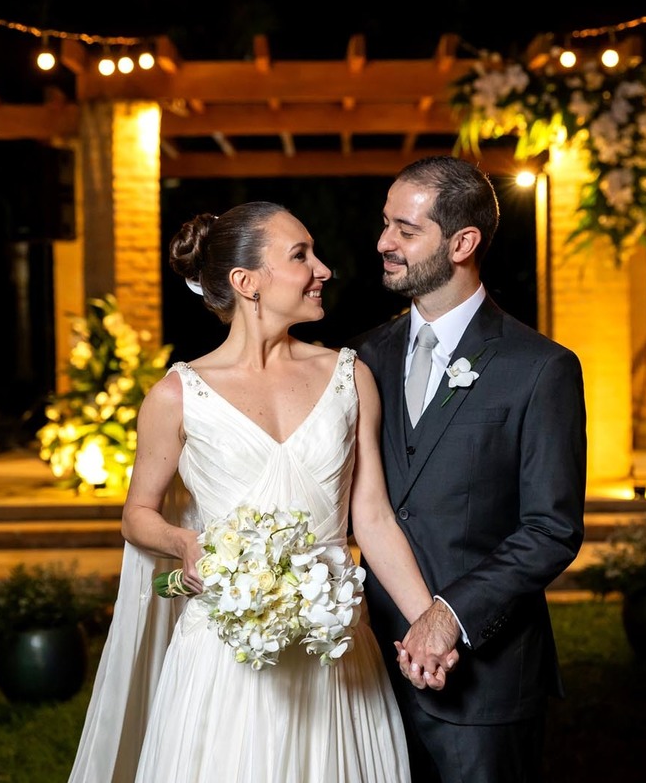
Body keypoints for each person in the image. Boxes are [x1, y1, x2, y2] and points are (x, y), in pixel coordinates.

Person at [68, 200, 453, 783]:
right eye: (301, 255)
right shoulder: (178, 396)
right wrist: (184, 542)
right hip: (225, 654)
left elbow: (371, 517)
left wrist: (429, 624)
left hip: (334, 654)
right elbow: (137, 515)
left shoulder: (350, 377)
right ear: (245, 282)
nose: (323, 269)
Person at [353, 155, 587, 783]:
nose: (384, 243)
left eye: (405, 230)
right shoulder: (367, 356)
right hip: (367, 671)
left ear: (462, 242)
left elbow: (551, 529)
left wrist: (448, 616)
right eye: (384, 225)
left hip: (485, 684)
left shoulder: (540, 368)